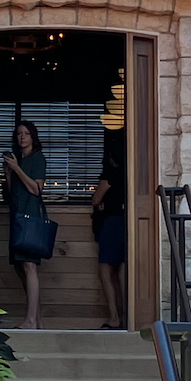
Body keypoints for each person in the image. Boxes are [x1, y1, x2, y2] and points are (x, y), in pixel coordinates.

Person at [3, 119, 52, 330]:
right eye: (19, 134)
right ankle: (37, 320)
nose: (22, 137)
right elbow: (12, 191)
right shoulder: (19, 160)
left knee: (30, 265)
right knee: (20, 266)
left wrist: (17, 169)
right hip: (17, 214)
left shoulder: (37, 158)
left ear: (33, 137)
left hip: (30, 216)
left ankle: (31, 320)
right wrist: (8, 172)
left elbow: (36, 189)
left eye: (26, 133)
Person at [87, 141, 127, 330]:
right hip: (126, 222)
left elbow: (96, 198)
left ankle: (114, 317)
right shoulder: (129, 175)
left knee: (105, 269)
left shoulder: (110, 174)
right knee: (122, 269)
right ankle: (129, 315)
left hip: (111, 223)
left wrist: (99, 204)